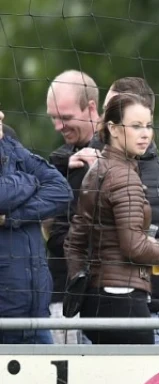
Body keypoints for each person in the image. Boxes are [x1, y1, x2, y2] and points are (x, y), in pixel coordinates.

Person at [64, 93, 159, 345]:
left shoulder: (96, 170)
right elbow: (134, 247)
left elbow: (74, 242)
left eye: (149, 125)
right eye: (136, 126)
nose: (145, 133)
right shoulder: (123, 176)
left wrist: (81, 284)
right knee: (141, 381)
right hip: (123, 299)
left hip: (95, 301)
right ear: (114, 129)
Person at [99, 77, 159, 345]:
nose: (101, 116)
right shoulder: (94, 168)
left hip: (158, 308)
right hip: (109, 305)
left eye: (109, 107)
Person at [0, 109, 73, 344]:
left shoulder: (9, 144)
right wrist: (31, 181)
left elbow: (61, 190)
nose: (1, 115)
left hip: (37, 318)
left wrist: (13, 217)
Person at [45, 70, 103, 344]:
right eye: (53, 117)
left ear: (91, 108)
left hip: (105, 299)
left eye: (65, 118)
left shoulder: (122, 156)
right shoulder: (57, 162)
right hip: (60, 296)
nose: (58, 126)